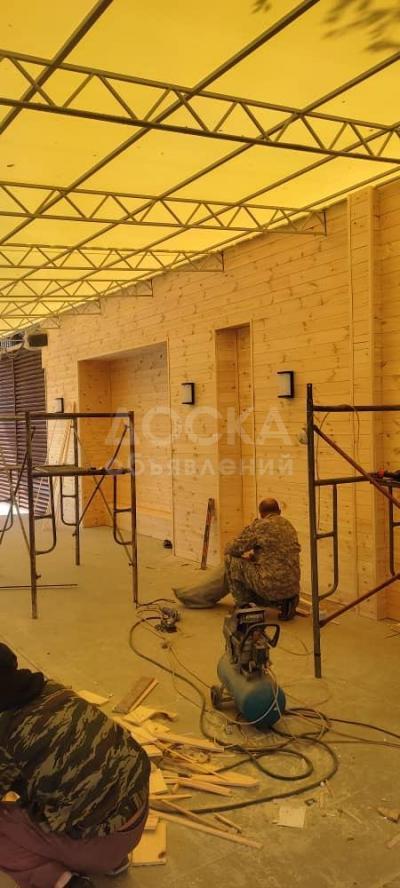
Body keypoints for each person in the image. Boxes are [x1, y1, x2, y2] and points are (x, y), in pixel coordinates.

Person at [0, 643, 150, 888]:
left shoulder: (5, 735)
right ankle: (112, 861)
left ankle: (63, 882)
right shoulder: (54, 691)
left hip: (102, 844)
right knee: (67, 783)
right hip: (136, 818)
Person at [224, 498, 300, 619]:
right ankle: (286, 603)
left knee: (230, 560)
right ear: (279, 511)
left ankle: (244, 607)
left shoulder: (260, 525)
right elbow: (276, 554)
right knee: (268, 573)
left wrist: (250, 528)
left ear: (261, 514)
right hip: (292, 588)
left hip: (269, 587)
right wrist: (256, 558)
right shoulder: (289, 526)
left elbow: (232, 549)